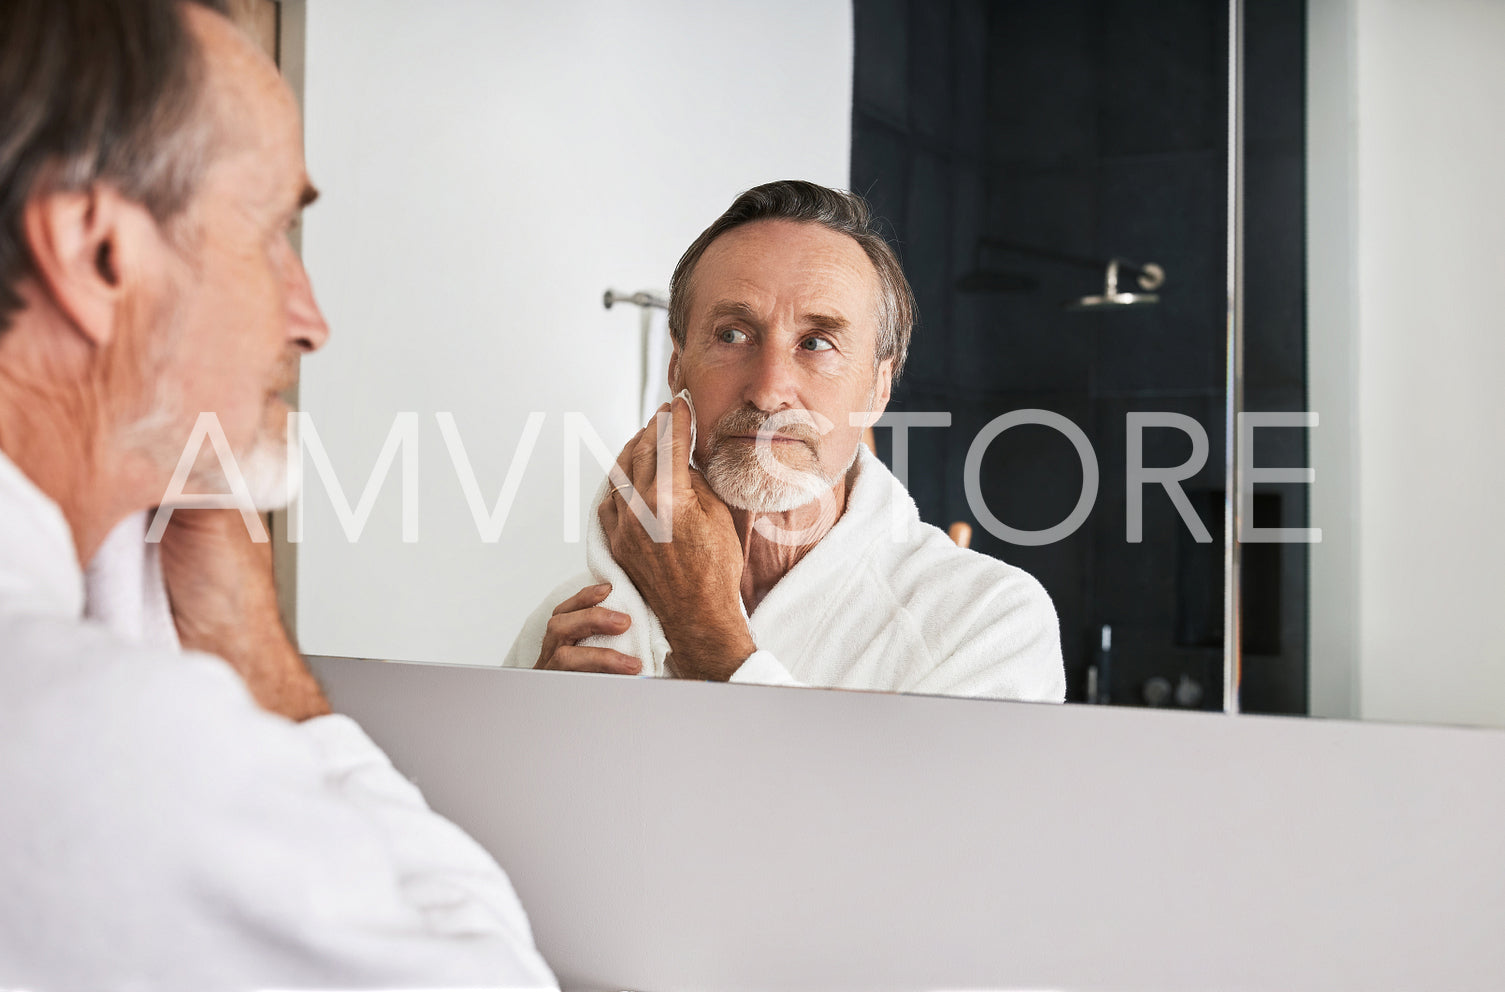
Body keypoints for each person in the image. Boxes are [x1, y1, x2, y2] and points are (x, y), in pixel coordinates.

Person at [0, 1, 555, 987]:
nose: (311, 319)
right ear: (95, 255)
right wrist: (255, 649)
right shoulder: (94, 741)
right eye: (269, 237)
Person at [505, 181, 1066, 702]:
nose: (769, 389)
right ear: (678, 367)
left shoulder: (988, 620)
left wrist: (709, 634)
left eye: (817, 342)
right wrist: (537, 729)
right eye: (731, 334)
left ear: (878, 386)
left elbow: (913, 813)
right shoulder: (578, 625)